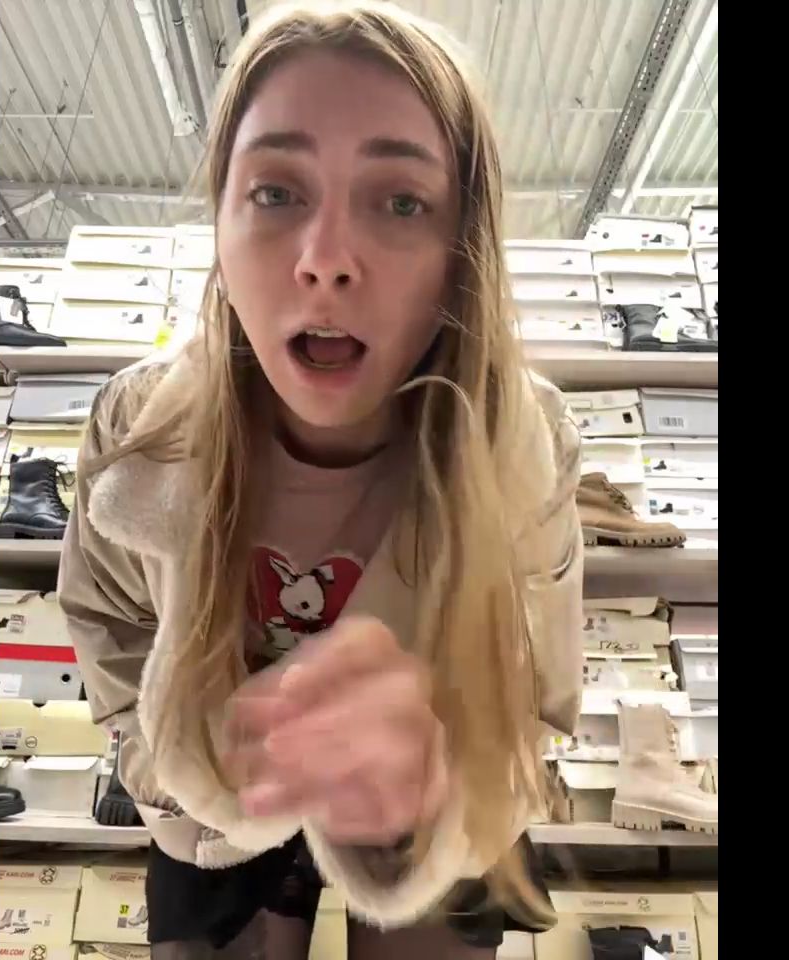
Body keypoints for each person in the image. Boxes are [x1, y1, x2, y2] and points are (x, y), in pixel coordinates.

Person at [58, 3, 584, 957]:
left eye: (401, 202)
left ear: (462, 250)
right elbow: (110, 627)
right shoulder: (137, 428)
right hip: (210, 824)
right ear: (219, 222)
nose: (326, 262)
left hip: (431, 827)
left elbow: (537, 707)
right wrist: (186, 766)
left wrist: (440, 779)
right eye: (275, 192)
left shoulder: (524, 443)